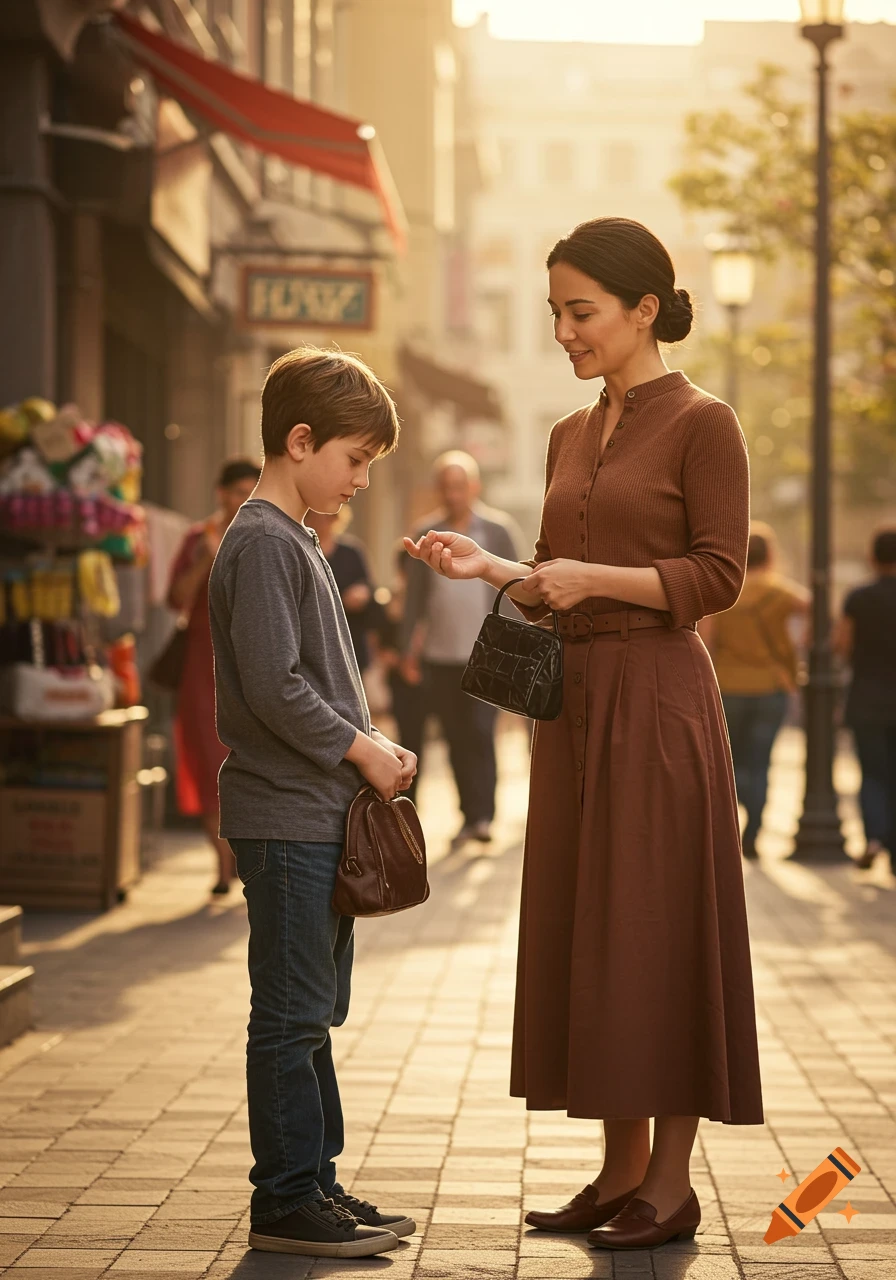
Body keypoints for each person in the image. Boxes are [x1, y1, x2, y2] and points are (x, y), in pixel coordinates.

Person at [405, 217, 763, 1251]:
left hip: (657, 700)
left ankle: (668, 1180)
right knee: (591, 926)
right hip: (575, 706)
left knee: (658, 924)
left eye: (580, 311)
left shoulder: (705, 423)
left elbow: (716, 574)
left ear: (642, 308)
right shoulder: (567, 434)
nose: (563, 330)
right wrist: (491, 571)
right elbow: (553, 569)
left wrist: (588, 579)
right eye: (554, 312)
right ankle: (614, 1170)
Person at [208, 347, 417, 1258]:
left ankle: (316, 1183)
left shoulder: (293, 537)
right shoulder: (261, 540)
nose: (362, 480)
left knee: (313, 1013)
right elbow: (273, 685)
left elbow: (304, 681)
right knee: (291, 1016)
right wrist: (363, 746)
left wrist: (368, 745)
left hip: (314, 814)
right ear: (300, 442)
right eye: (355, 458)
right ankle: (287, 1199)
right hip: (286, 816)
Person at [401, 451, 523, 844]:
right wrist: (408, 651)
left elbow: (516, 589)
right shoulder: (428, 533)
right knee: (454, 736)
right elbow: (414, 601)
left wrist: (515, 651)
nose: (453, 494)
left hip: (486, 655)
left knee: (480, 733)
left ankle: (484, 816)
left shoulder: (497, 530)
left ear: (474, 487)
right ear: (439, 490)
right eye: (446, 487)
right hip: (440, 655)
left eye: (460, 486)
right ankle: (467, 816)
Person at [167, 456, 260, 895]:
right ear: (222, 493)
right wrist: (206, 558)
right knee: (207, 762)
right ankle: (221, 865)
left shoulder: (265, 537)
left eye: (251, 491)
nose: (245, 500)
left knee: (247, 760)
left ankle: (244, 863)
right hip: (203, 666)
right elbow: (174, 598)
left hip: (252, 666)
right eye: (239, 492)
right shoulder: (197, 538)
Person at [700, 522, 809, 859]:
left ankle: (738, 813)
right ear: (770, 555)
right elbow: (814, 609)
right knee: (762, 762)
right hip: (771, 686)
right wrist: (796, 648)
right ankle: (754, 834)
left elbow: (706, 638)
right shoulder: (780, 592)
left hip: (728, 686)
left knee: (730, 763)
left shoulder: (725, 591)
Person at [835, 526, 896, 873]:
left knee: (872, 773)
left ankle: (874, 838)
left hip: (867, 699)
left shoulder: (859, 597)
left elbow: (842, 644)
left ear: (873, 557)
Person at [304, 508, 375, 674]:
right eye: (321, 516)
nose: (326, 521)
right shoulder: (303, 550)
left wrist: (362, 593)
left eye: (331, 517)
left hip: (351, 637)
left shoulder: (352, 552)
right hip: (315, 641)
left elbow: (369, 587)